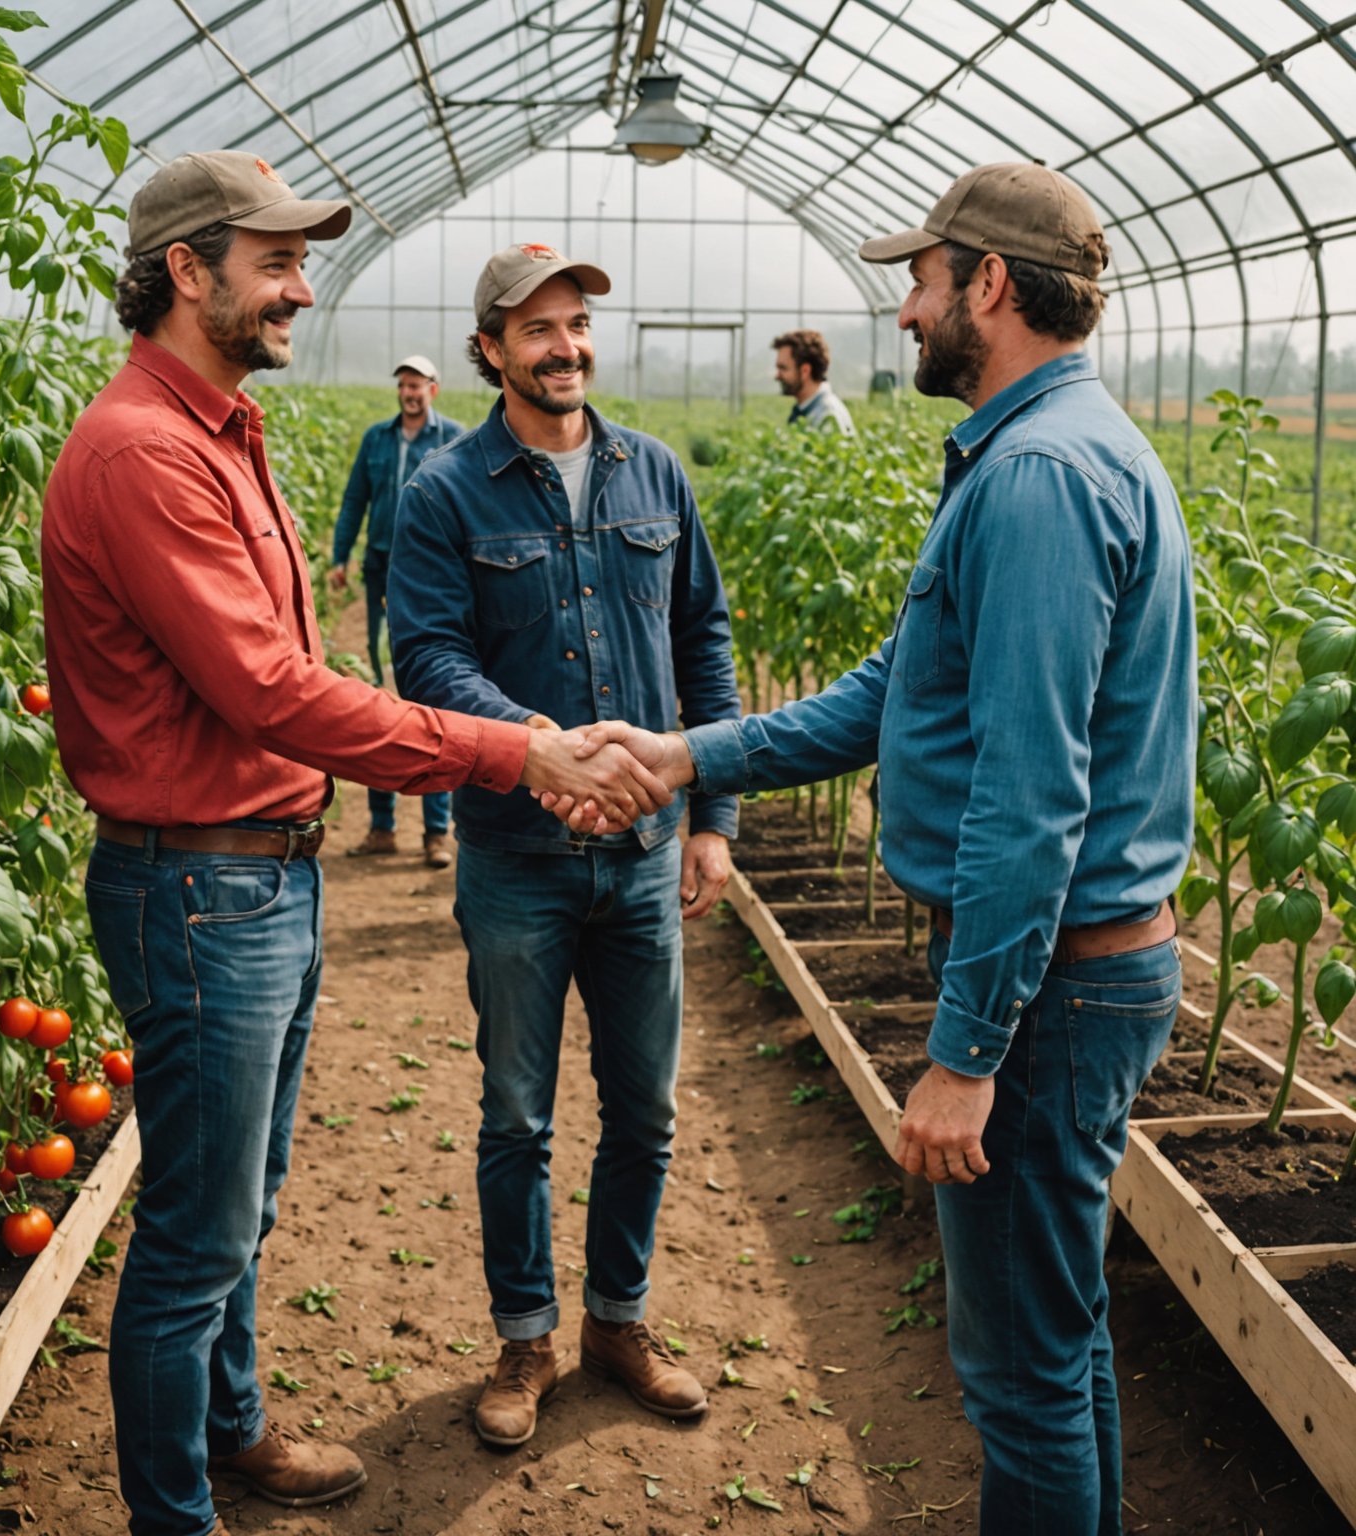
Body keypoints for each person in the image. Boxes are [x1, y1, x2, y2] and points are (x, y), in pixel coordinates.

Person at [552, 164, 1195, 1536]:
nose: (903, 309)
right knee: (1057, 1342)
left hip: (1058, 986)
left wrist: (965, 1058)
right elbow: (895, 690)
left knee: (1020, 1374)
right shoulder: (1049, 452)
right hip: (1084, 972)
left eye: (922, 278)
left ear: (993, 286)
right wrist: (686, 754)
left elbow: (1032, 804)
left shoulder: (1037, 479)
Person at [40, 159, 672, 1536]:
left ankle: (237, 1428)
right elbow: (274, 690)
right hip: (201, 882)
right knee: (194, 1241)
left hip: (256, 870)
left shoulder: (217, 428)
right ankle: (177, 1513)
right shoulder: (149, 449)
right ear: (189, 272)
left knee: (242, 1202)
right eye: (277, 261)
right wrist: (519, 752)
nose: (303, 284)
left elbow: (286, 670)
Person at [386, 243, 740, 1447]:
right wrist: (540, 749)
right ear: (490, 350)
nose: (564, 346)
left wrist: (714, 821)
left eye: (576, 322)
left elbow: (706, 645)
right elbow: (426, 657)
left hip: (642, 853)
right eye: (535, 328)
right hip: (516, 854)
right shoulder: (444, 491)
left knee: (644, 1108)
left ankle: (618, 1319)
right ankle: (526, 1339)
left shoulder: (656, 477)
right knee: (517, 1115)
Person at [331, 356, 464, 866]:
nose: (410, 393)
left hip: (432, 574)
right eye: (404, 385)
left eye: (417, 385)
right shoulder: (377, 440)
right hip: (380, 568)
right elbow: (353, 500)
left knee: (430, 695)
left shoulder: (453, 438)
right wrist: (341, 555)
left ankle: (436, 832)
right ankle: (382, 827)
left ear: (434, 388)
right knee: (377, 696)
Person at [773, 328, 854, 434]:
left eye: (783, 368)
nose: (777, 376)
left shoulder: (828, 416)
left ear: (805, 371)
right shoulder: (805, 409)